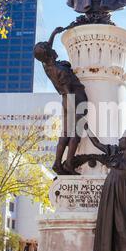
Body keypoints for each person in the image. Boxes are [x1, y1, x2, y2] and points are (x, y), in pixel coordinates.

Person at [34, 27, 88, 175]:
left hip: (65, 100)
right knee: (74, 134)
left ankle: (58, 163)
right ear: (49, 54)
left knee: (65, 133)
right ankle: (69, 164)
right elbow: (70, 91)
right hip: (73, 100)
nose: (53, 49)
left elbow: (45, 49)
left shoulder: (47, 66)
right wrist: (77, 112)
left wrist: (54, 33)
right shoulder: (61, 70)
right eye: (49, 48)